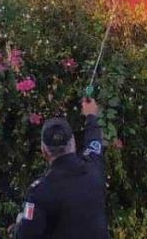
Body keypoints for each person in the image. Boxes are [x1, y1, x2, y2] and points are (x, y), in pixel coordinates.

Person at [15, 97, 109, 239]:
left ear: (44, 151)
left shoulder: (40, 192)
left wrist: (21, 223)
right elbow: (94, 142)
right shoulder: (93, 169)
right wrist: (91, 115)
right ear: (73, 143)